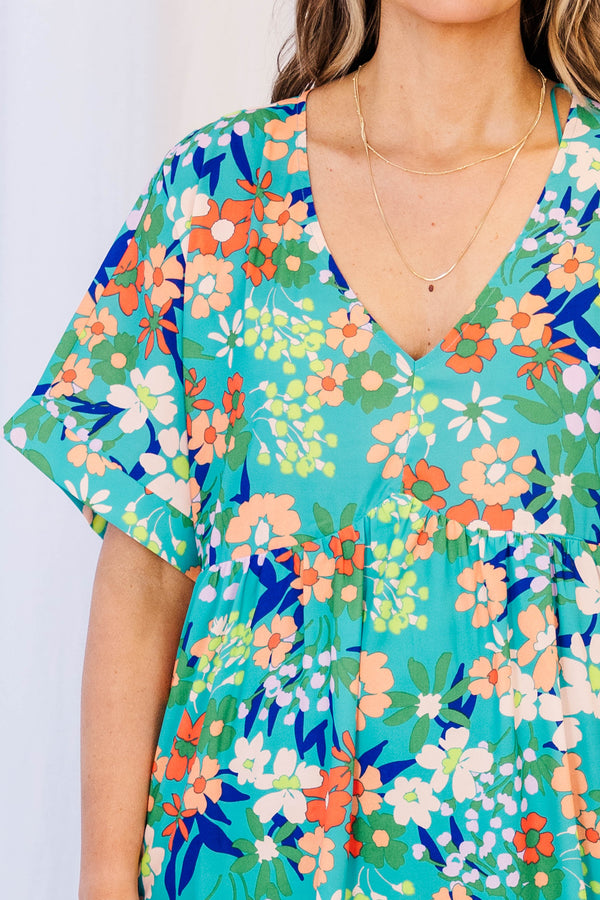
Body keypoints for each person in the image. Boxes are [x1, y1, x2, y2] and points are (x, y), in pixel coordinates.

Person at [4, 0, 600, 897]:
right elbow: (146, 578)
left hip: (548, 851)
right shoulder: (214, 195)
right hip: (248, 850)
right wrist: (102, 878)